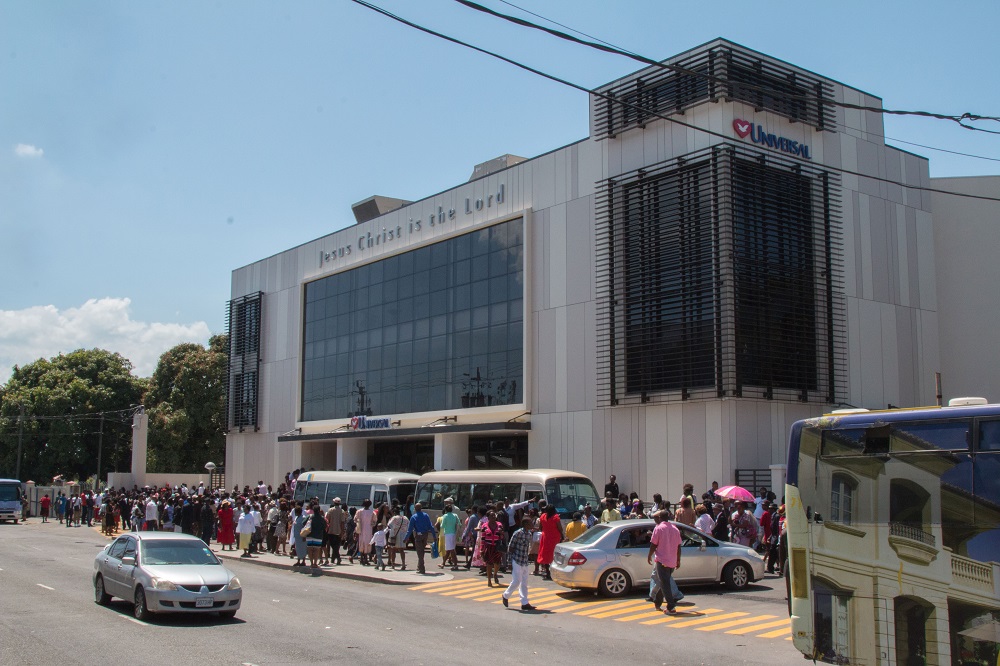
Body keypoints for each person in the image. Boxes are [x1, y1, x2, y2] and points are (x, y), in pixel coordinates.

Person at [647, 510, 682, 614]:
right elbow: (679, 546)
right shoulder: (675, 529)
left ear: (660, 518)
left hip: (662, 560)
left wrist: (649, 555)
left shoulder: (658, 528)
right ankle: (657, 602)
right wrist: (678, 560)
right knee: (663, 582)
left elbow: (654, 544)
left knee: (664, 583)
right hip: (672, 561)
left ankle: (671, 607)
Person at [501, 517, 536, 611]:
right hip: (516, 560)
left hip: (524, 561)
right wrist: (509, 562)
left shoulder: (529, 534)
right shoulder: (518, 533)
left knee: (524, 582)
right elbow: (511, 547)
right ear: (525, 524)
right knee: (517, 580)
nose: (532, 525)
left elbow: (527, 547)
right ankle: (505, 595)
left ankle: (524, 602)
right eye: (530, 523)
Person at [404, 502, 437, 574]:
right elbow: (431, 526)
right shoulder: (426, 515)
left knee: (419, 552)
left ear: (415, 508)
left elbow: (410, 529)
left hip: (418, 535)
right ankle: (419, 566)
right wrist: (434, 536)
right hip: (425, 535)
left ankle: (422, 568)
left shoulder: (414, 517)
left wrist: (406, 538)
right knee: (422, 551)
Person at [536, 504, 564, 580]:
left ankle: (547, 572)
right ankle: (553, 572)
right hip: (554, 538)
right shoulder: (555, 517)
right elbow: (560, 528)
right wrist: (562, 536)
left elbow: (540, 527)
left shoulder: (543, 516)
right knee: (554, 554)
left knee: (545, 554)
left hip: (545, 537)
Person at [479, 510, 504, 587]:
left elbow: (502, 537)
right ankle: (489, 580)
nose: (493, 517)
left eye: (494, 515)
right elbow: (483, 538)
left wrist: (501, 533)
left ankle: (495, 573)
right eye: (491, 515)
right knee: (489, 564)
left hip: (497, 547)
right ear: (488, 517)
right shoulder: (484, 526)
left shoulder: (499, 525)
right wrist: (482, 549)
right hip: (488, 547)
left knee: (497, 563)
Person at [438, 504, 461, 570]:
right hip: (453, 533)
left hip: (448, 534)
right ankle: (443, 563)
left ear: (445, 510)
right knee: (449, 549)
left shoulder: (445, 516)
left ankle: (455, 565)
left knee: (451, 550)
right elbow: (459, 523)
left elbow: (442, 526)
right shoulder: (455, 515)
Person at [387, 506, 409, 570]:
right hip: (403, 535)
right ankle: (403, 564)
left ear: (394, 512)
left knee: (393, 550)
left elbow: (389, 526)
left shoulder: (394, 518)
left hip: (395, 535)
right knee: (401, 550)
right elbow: (408, 526)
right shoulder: (405, 518)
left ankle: (393, 564)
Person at [324, 498, 346, 565]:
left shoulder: (330, 510)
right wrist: (342, 532)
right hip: (338, 530)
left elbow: (327, 520)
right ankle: (334, 559)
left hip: (331, 530)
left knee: (333, 545)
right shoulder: (342, 511)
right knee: (336, 545)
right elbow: (342, 522)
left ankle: (337, 557)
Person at [355, 499, 376, 566]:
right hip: (368, 530)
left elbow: (355, 519)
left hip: (361, 530)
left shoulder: (359, 511)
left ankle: (362, 558)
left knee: (362, 543)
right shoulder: (372, 512)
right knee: (367, 543)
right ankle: (365, 559)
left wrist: (358, 524)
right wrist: (371, 525)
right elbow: (374, 521)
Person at [306, 502, 326, 568]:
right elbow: (325, 526)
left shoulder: (310, 516)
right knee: (316, 550)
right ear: (319, 510)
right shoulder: (322, 518)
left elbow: (303, 523)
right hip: (318, 536)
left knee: (310, 550)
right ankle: (315, 563)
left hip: (309, 535)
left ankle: (311, 563)